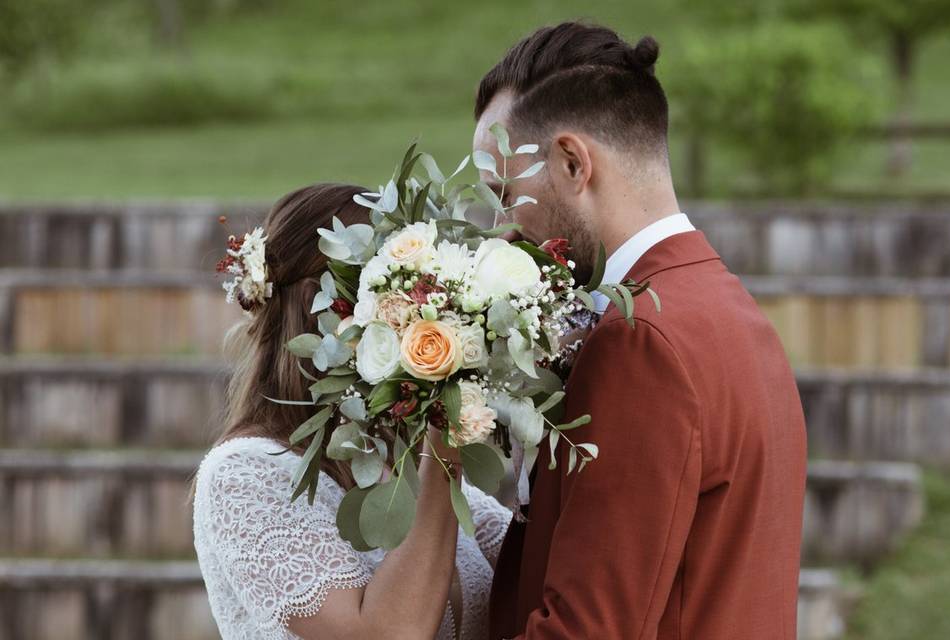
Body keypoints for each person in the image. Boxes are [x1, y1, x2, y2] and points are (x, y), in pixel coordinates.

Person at [473, 22, 808, 639]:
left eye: (504, 192)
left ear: (572, 162)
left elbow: (586, 630)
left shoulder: (641, 342)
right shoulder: (726, 308)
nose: (502, 230)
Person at [191, 183, 512, 640]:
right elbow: (385, 634)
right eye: (397, 293)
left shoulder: (398, 461)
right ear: (319, 308)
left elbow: (534, 567)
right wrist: (447, 433)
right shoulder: (243, 476)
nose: (421, 312)